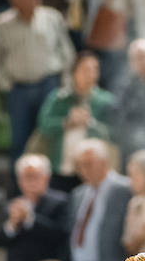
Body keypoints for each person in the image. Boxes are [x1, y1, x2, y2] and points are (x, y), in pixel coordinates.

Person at [0, 0, 76, 161]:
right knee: (20, 140)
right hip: (18, 89)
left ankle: (50, 186)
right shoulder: (2, 24)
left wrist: (65, 85)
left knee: (49, 136)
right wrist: (5, 84)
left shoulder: (52, 17)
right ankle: (19, 187)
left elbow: (66, 52)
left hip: (49, 86)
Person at [68, 138, 133, 261]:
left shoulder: (124, 188)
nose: (84, 169)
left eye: (89, 164)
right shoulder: (79, 193)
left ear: (104, 162)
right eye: (81, 165)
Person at [36, 50, 116, 180]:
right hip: (62, 168)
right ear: (74, 72)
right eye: (85, 69)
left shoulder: (105, 100)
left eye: (94, 69)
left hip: (92, 173)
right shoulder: (59, 98)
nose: (91, 74)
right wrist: (67, 122)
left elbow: (114, 133)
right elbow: (43, 125)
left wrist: (90, 123)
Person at [0, 153, 71, 261]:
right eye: (26, 177)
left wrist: (30, 219)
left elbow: (61, 232)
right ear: (19, 180)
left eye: (35, 176)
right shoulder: (12, 205)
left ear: (46, 177)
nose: (31, 181)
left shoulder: (60, 201)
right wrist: (12, 224)